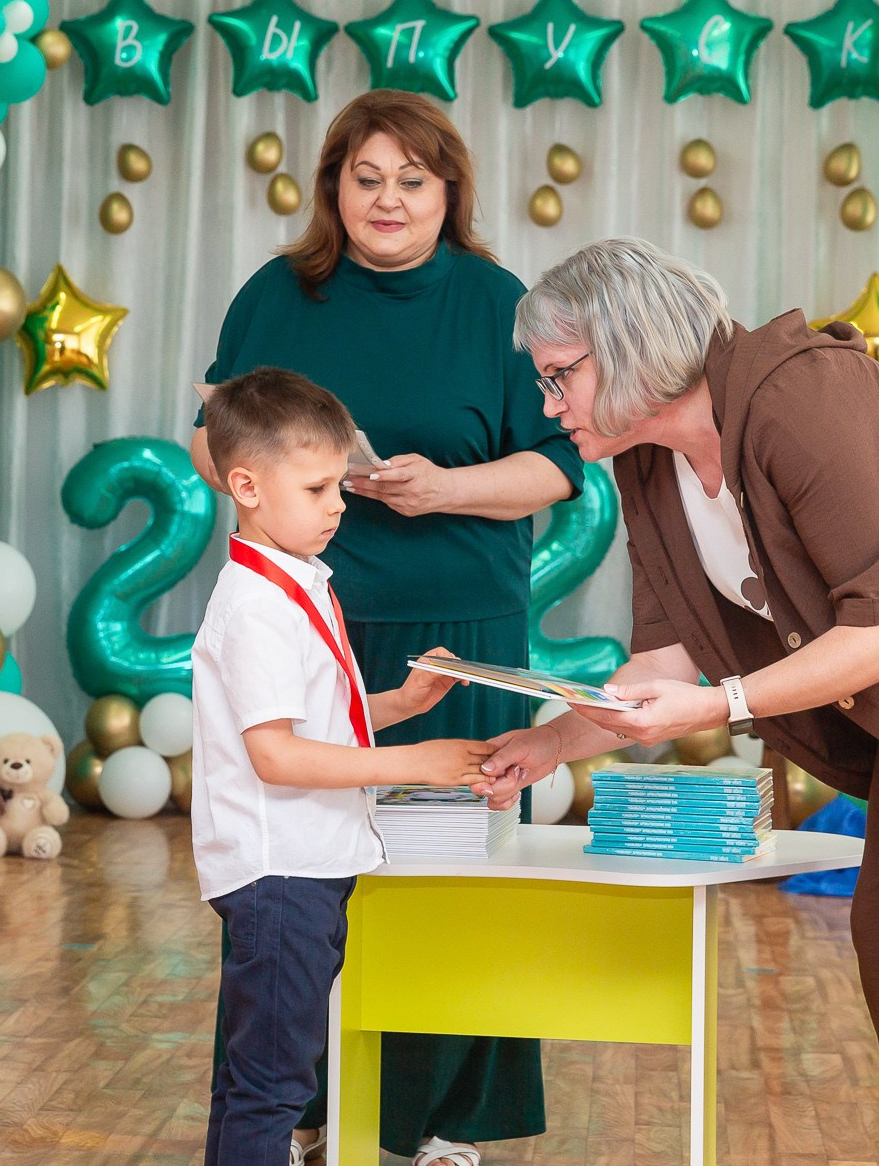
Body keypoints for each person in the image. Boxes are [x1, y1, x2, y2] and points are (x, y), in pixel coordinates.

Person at [476, 237, 879, 1166]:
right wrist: (550, 744)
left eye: (559, 377)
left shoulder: (797, 392)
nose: (549, 406)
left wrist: (723, 706)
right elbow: (663, 661)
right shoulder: (643, 463)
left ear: (627, 344)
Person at [193, 90, 578, 1166]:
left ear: (447, 190)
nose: (388, 198)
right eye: (366, 178)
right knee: (309, 891)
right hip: (316, 613)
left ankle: (446, 1120)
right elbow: (209, 440)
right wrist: (285, 506)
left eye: (412, 179)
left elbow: (557, 465)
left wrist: (441, 488)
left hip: (461, 626)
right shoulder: (277, 293)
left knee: (457, 875)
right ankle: (311, 1112)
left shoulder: (499, 299)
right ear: (333, 189)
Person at [192, 366, 493, 1166]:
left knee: (254, 1077)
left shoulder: (293, 580)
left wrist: (400, 701)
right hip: (280, 869)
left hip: (300, 863)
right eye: (320, 487)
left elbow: (316, 720)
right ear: (247, 485)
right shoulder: (257, 605)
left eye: (340, 484)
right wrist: (419, 762)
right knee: (273, 1084)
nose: (339, 504)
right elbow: (277, 753)